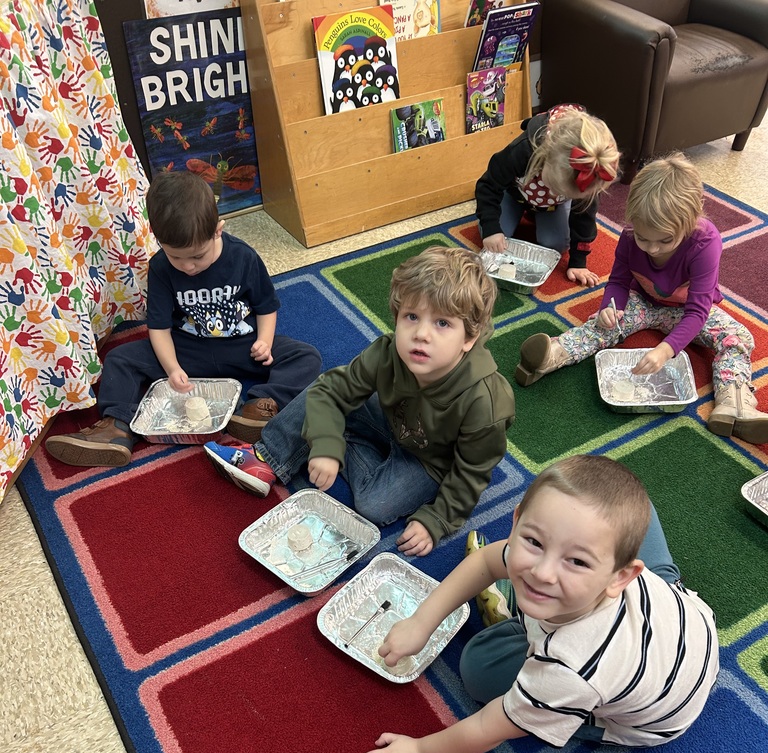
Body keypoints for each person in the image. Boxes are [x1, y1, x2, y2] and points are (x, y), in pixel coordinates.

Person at [352, 455, 719, 753]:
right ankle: (543, 603)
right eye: (533, 541)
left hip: (651, 715)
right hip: (683, 615)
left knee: (479, 668)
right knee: (614, 508)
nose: (542, 572)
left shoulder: (571, 670)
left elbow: (490, 726)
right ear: (516, 522)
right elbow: (488, 561)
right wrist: (421, 621)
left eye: (576, 561)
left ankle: (521, 615)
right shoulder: (580, 558)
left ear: (620, 577)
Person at [204, 246, 516, 556]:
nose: (421, 334)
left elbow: (471, 473)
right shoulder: (389, 352)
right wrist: (325, 445)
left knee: (373, 506)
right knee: (323, 391)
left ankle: (341, 436)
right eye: (411, 316)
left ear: (469, 338)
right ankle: (268, 457)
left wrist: (437, 520)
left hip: (430, 462)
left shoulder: (484, 401)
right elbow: (332, 391)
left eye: (442, 323)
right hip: (393, 418)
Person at [45, 170, 322, 467]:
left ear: (218, 229)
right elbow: (159, 328)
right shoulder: (162, 267)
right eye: (177, 257)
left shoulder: (244, 257)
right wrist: (172, 367)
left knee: (306, 356)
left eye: (198, 256)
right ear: (157, 238)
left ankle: (256, 407)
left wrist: (265, 342)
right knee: (120, 358)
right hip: (186, 350)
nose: (188, 267)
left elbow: (266, 305)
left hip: (242, 346)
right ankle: (117, 427)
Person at [515, 152, 768, 444]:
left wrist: (666, 350)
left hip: (688, 311)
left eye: (664, 240)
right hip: (644, 302)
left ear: (691, 220)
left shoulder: (706, 242)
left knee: (737, 337)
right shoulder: (630, 235)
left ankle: (734, 404)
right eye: (643, 238)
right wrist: (611, 307)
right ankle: (551, 356)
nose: (652, 249)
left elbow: (698, 312)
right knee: (603, 324)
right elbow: (619, 282)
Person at [475, 104, 620, 288]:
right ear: (546, 159)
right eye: (556, 187)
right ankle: (515, 216)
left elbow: (584, 217)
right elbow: (488, 185)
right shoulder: (523, 150)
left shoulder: (589, 175)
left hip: (551, 207)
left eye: (566, 193)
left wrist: (578, 262)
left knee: (554, 245)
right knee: (493, 237)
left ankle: (552, 209)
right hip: (513, 194)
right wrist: (491, 228)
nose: (557, 192)